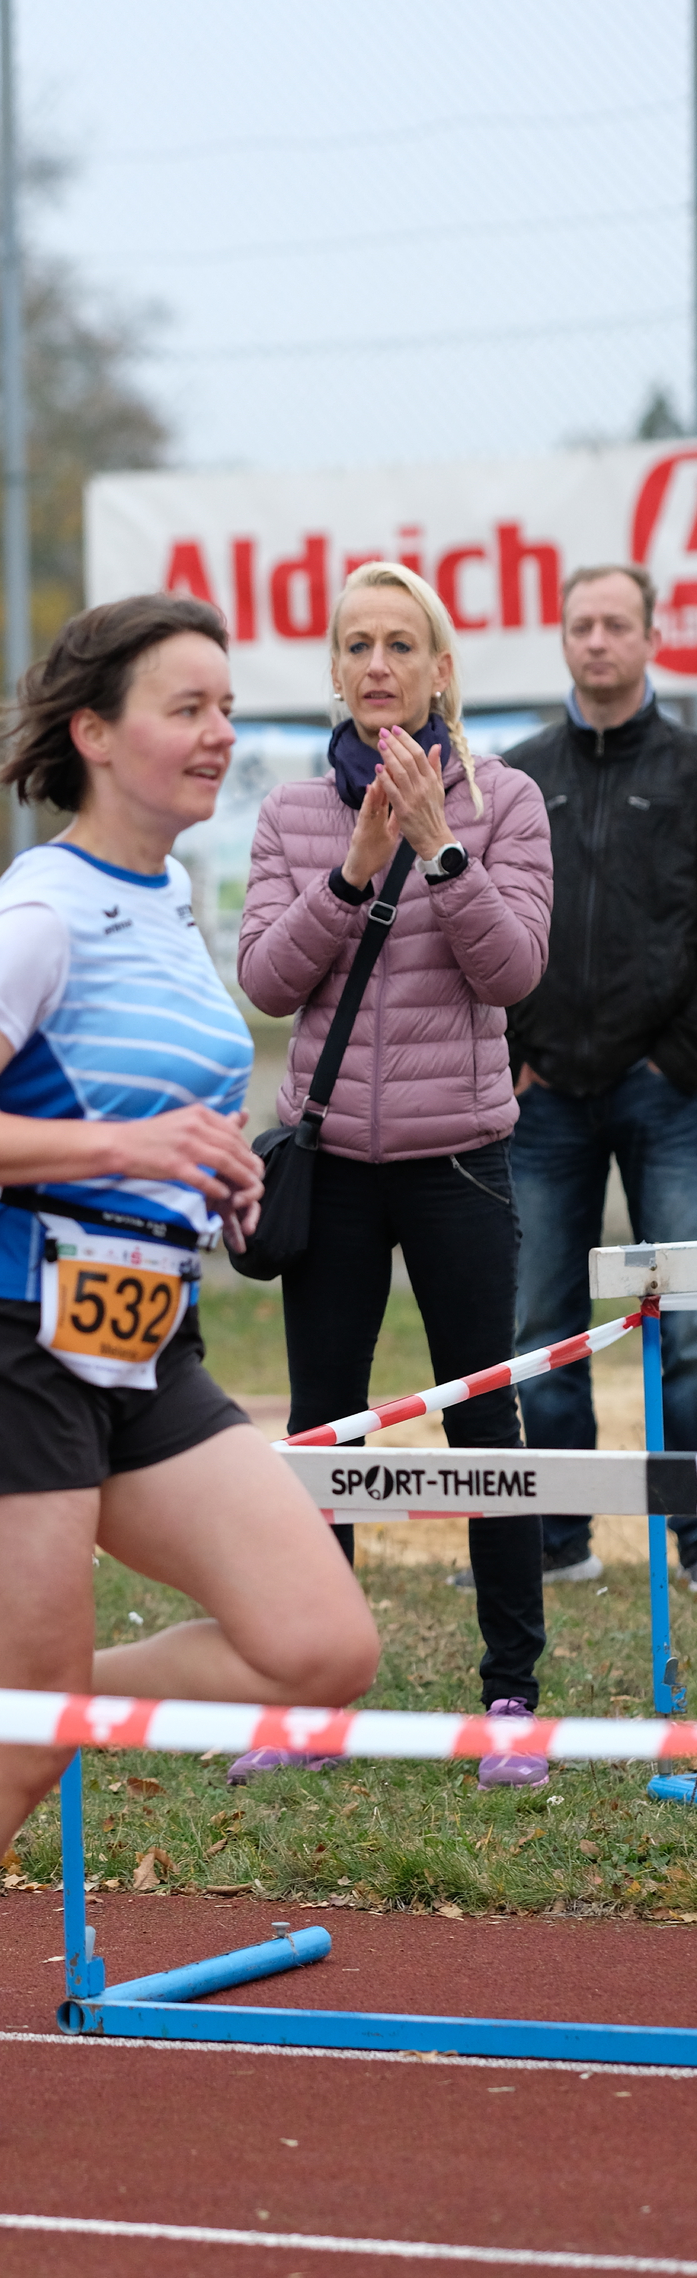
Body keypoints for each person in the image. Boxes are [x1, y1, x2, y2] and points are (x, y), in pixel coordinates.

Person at [0, 593, 379, 2152]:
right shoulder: (43, 911)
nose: (221, 734)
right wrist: (123, 1148)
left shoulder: (168, 899)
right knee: (33, 1731)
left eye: (228, 707)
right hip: (9, 1347)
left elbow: (142, 1112)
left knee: (321, 1648)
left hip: (146, 1341)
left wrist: (214, 1179)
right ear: (95, 735)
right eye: (188, 708)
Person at [237, 562, 553, 1786]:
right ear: (334, 668)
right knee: (325, 1423)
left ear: (439, 670)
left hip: (458, 1159)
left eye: (400, 644)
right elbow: (266, 982)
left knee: (484, 1421)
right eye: (356, 644)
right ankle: (311, 1704)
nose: (377, 665)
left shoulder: (505, 800)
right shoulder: (288, 815)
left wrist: (437, 849)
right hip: (329, 1168)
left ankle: (510, 1698)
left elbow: (513, 973)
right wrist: (352, 870)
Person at [504, 565, 697, 1595]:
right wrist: (513, 1053)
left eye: (616, 624)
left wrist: (679, 1059)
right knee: (541, 1327)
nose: (596, 641)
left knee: (691, 1331)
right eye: (581, 624)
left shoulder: (689, 769)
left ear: (651, 637)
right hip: (543, 1099)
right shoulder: (520, 775)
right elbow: (480, 919)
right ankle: (558, 1542)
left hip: (668, 1094)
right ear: (563, 638)